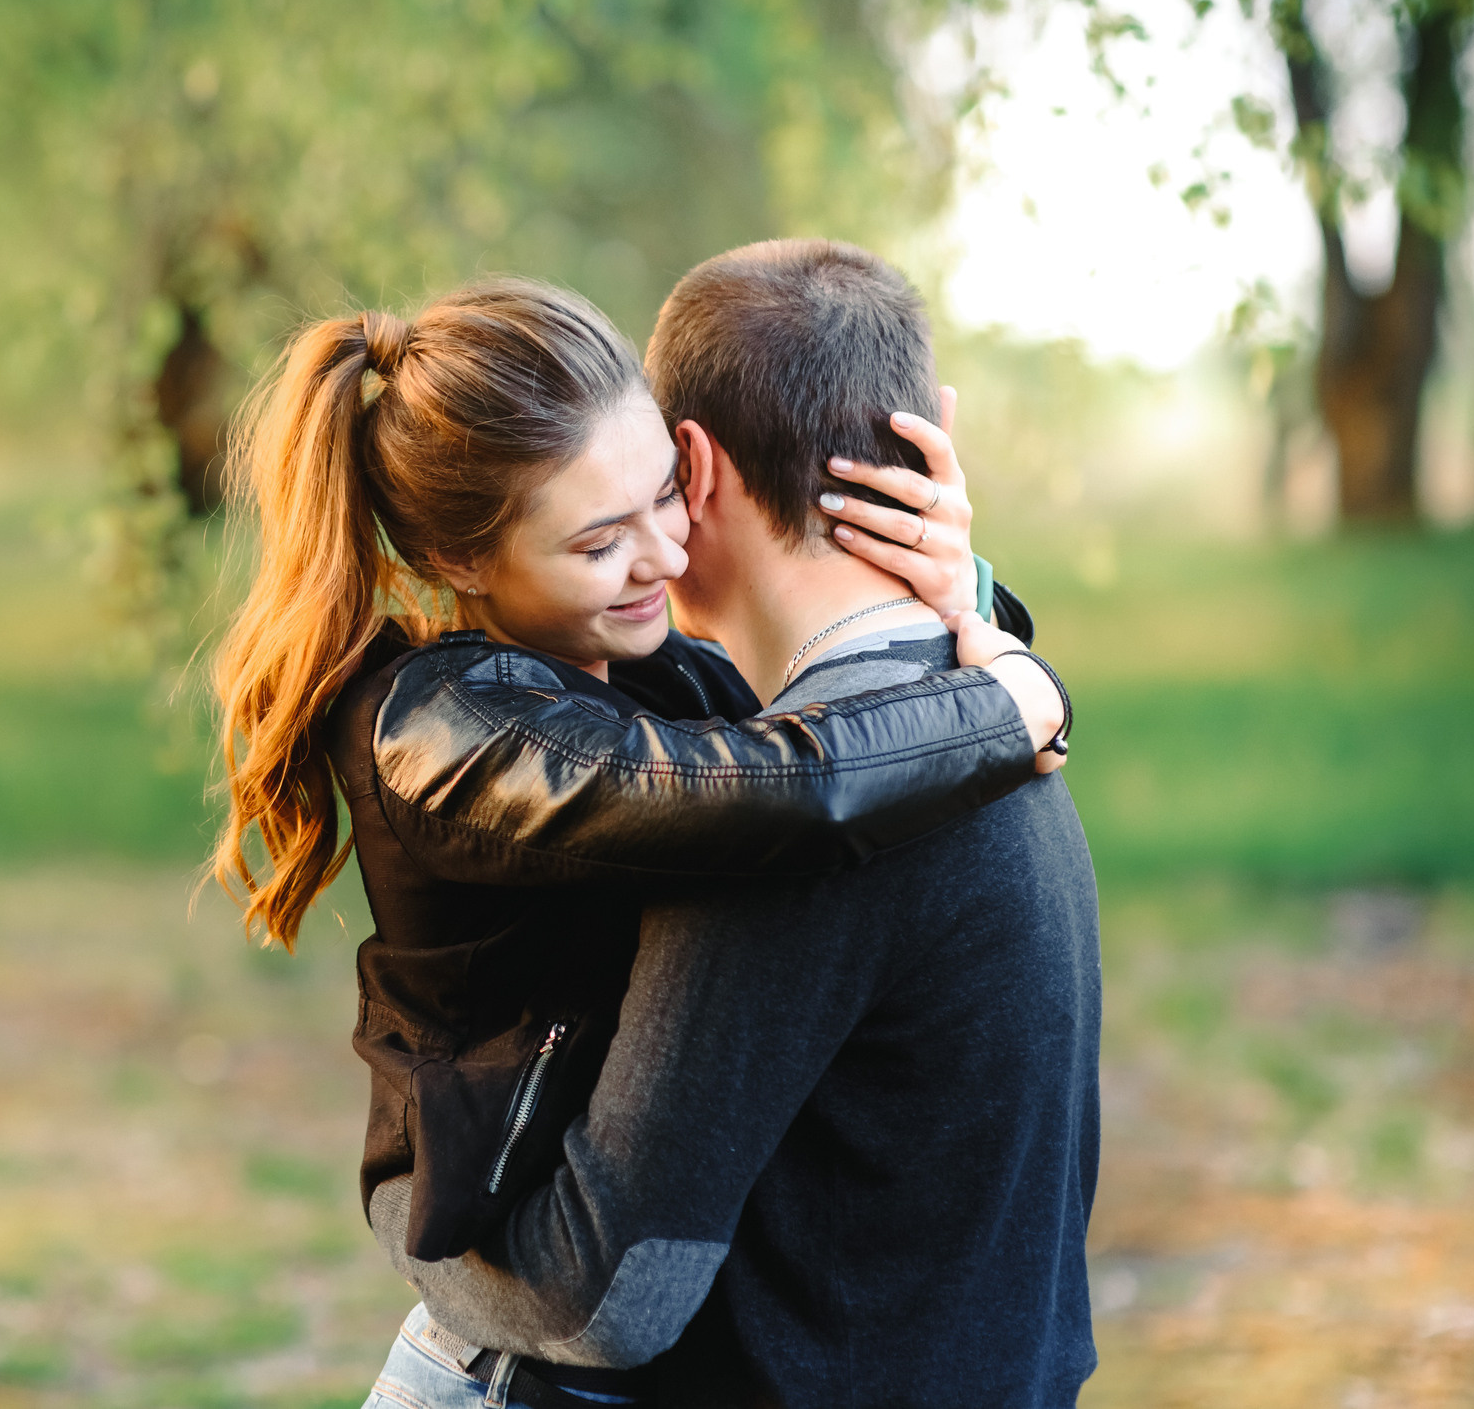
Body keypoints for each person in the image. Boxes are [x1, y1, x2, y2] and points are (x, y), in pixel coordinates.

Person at [203, 277, 1070, 1405]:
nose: (662, 551)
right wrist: (1013, 705)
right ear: (465, 561)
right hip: (491, 1326)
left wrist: (967, 595)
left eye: (666, 493)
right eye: (600, 539)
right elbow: (782, 791)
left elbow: (851, 714)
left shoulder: (653, 662)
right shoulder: (447, 730)